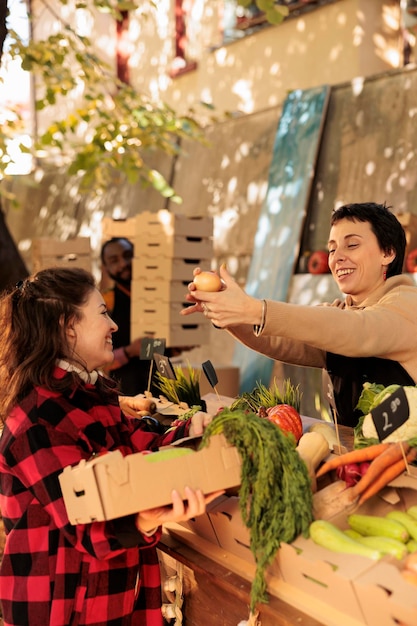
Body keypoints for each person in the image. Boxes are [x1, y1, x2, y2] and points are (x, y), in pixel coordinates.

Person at [0, 267, 221, 626]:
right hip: (61, 612)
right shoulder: (39, 419)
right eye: (102, 313)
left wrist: (193, 433)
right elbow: (85, 523)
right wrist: (144, 518)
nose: (113, 325)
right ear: (67, 325)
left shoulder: (89, 396)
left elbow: (141, 445)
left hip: (110, 602)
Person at [181, 202, 417, 427]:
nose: (337, 257)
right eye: (332, 248)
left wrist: (253, 309)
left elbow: (360, 330)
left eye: (352, 245)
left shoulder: (407, 304)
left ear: (387, 253)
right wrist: (227, 313)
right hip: (356, 458)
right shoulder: (340, 313)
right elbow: (281, 339)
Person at [100, 237, 152, 396]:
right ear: (106, 268)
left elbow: (160, 350)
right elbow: (99, 361)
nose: (123, 264)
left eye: (128, 255)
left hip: (160, 388)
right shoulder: (106, 302)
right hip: (126, 394)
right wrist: (129, 351)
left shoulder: (154, 298)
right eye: (114, 260)